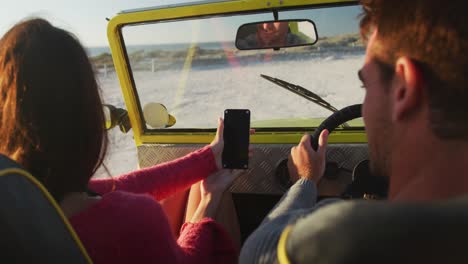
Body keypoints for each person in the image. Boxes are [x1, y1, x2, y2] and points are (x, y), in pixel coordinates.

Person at [239, 0, 468, 263]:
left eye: (366, 87)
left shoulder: (348, 235)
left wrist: (305, 180)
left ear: (404, 88)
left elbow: (256, 252)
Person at [0, 18, 240, 263]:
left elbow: (117, 186)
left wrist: (208, 159)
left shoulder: (21, 194)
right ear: (86, 114)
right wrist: (209, 202)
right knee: (214, 199)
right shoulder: (132, 220)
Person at [237, 21, 306, 49]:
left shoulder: (299, 43)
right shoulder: (243, 45)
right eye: (259, 20)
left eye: (275, 19)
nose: (265, 27)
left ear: (287, 22)